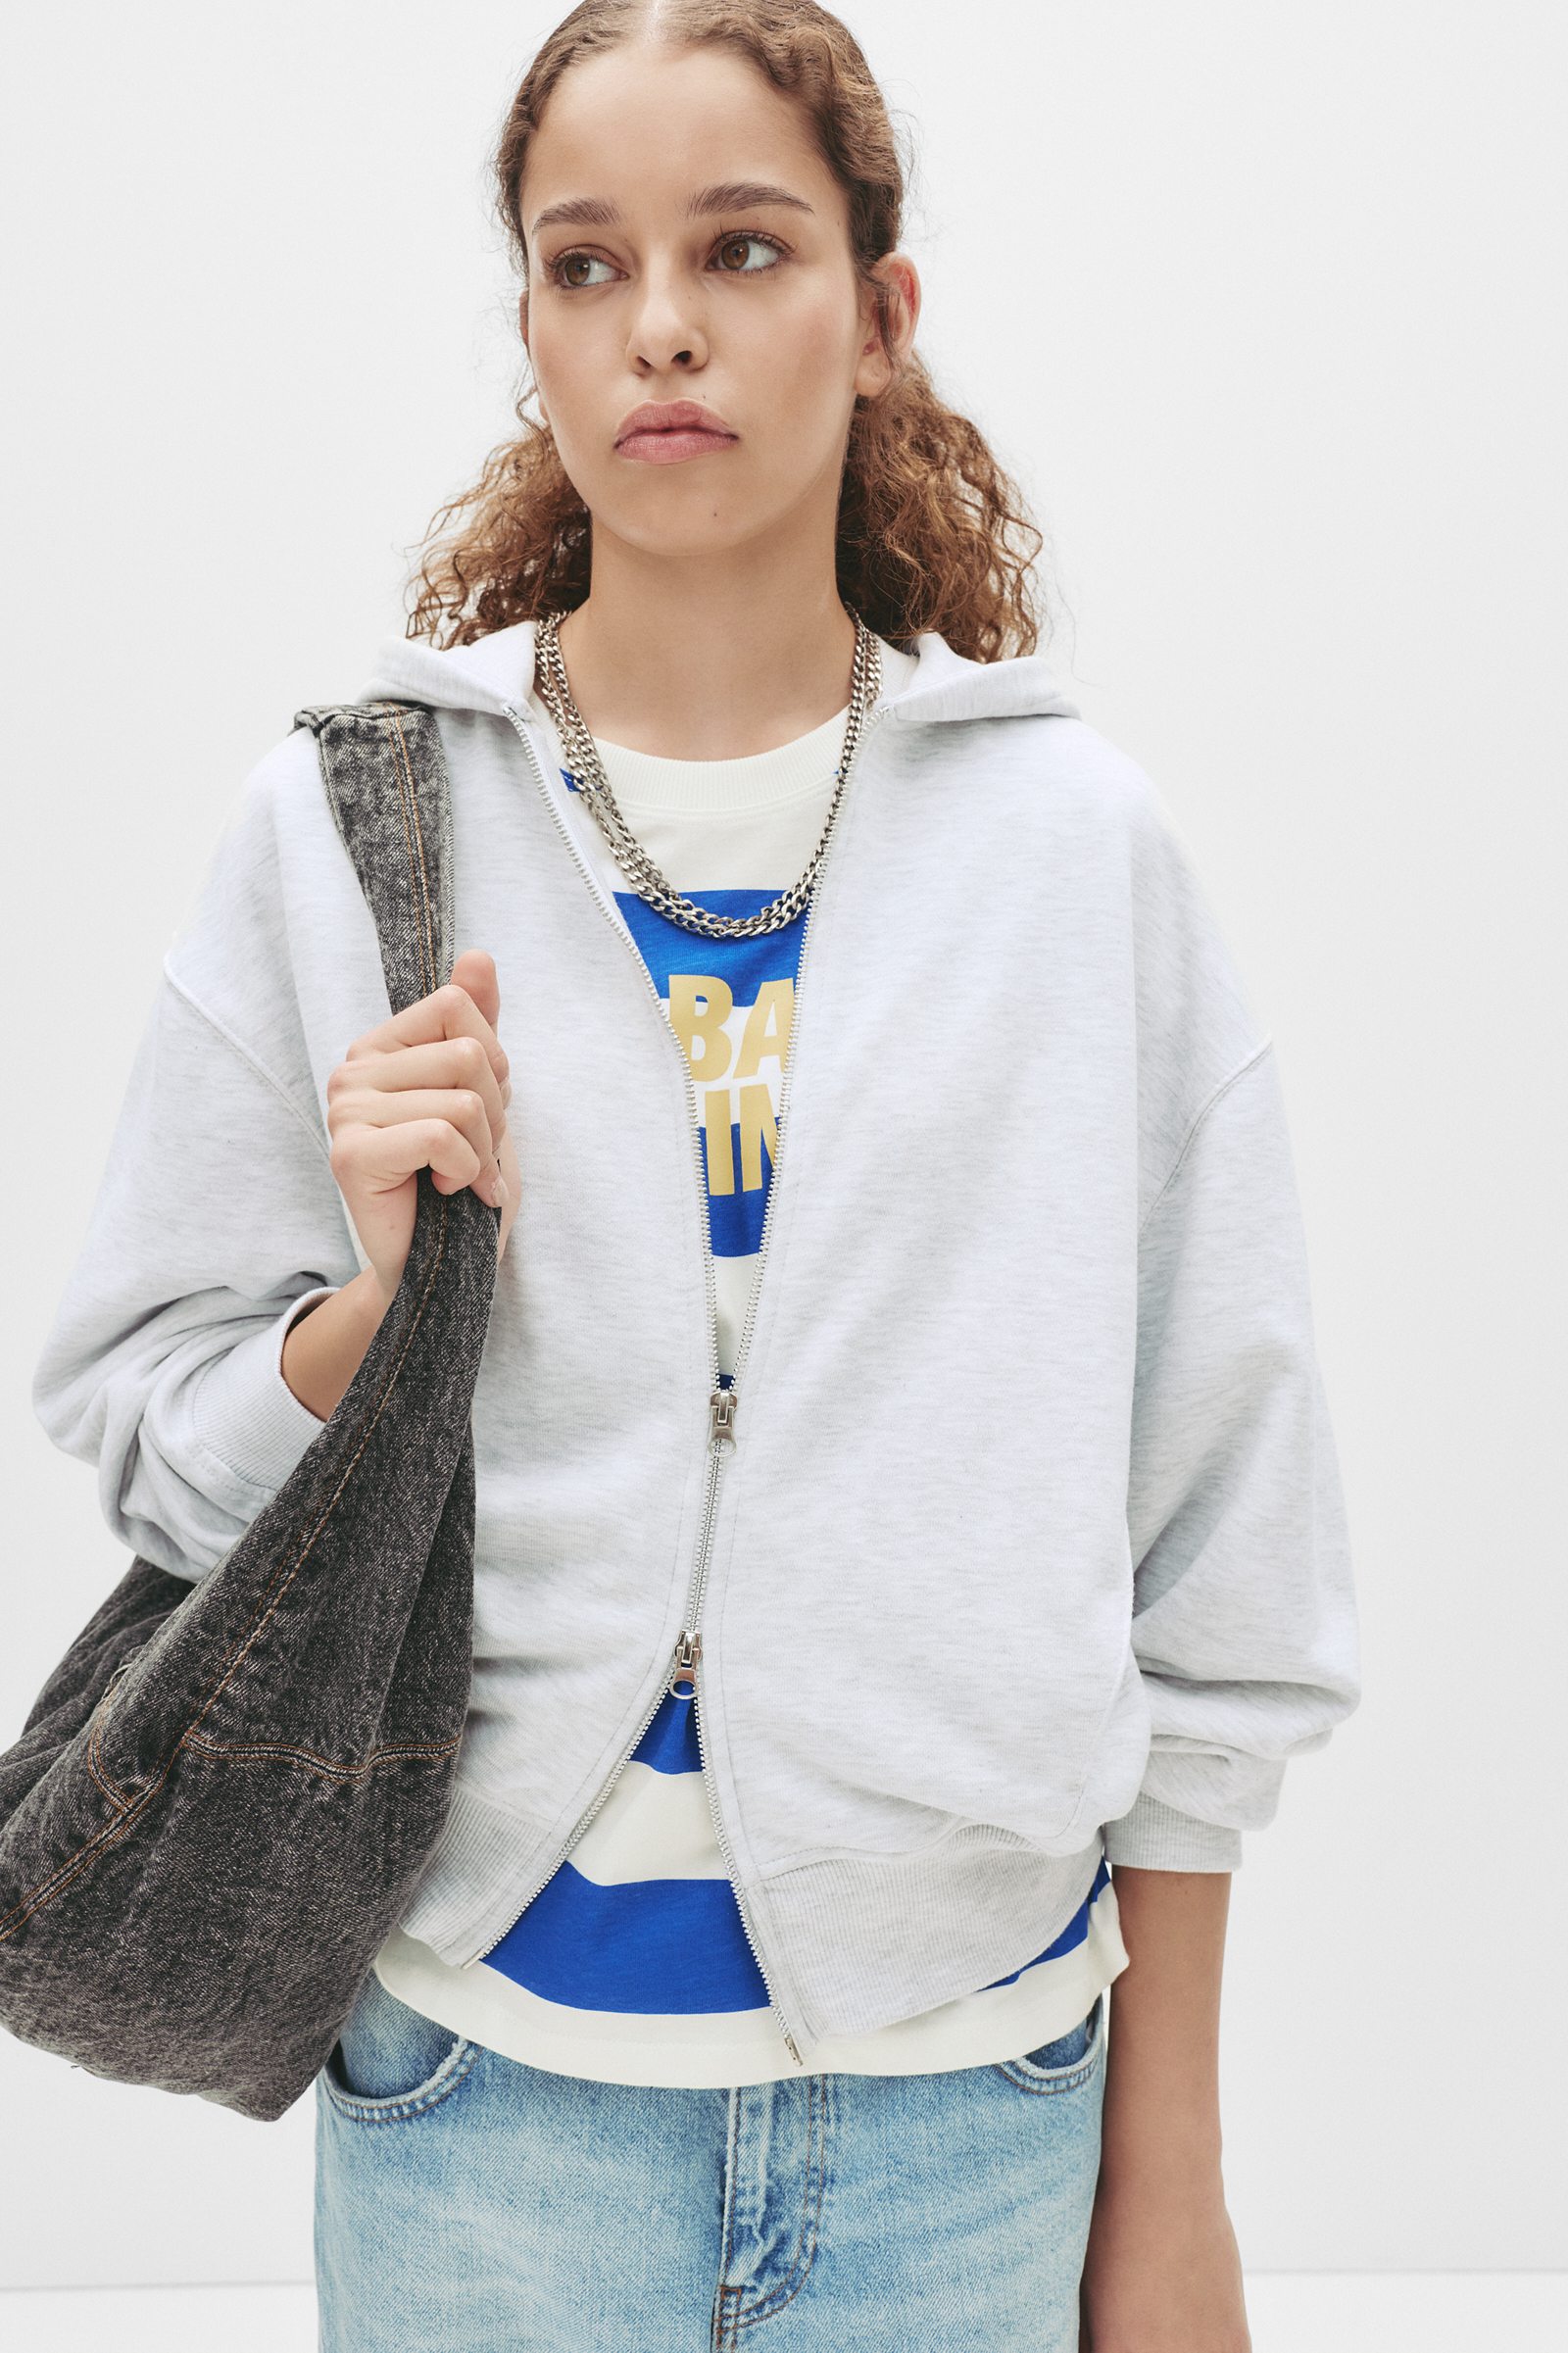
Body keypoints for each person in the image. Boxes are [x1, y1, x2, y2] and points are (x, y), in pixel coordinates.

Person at [34, 3, 1358, 2346]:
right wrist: (369, 1320)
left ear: (879, 309)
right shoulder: (347, 831)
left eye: (741, 248)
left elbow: (1216, 1555)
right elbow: (150, 1438)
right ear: (533, 328)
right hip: (480, 2113)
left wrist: (1172, 2184)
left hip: (967, 2120)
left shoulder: (1074, 856)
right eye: (584, 262)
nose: (658, 322)